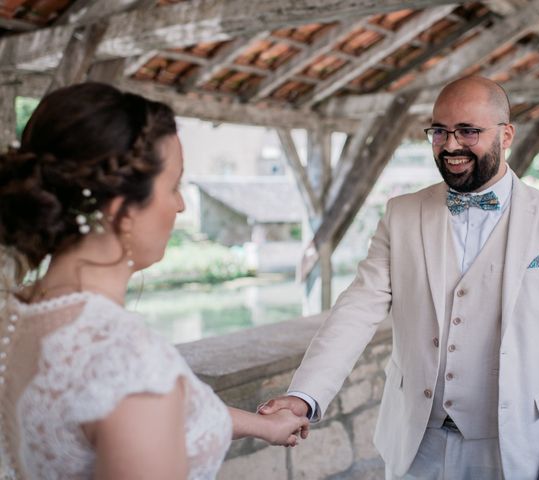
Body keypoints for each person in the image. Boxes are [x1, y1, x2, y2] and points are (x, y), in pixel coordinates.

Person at [259, 76, 539, 479]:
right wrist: (304, 396)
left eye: (468, 131)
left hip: (515, 447)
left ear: (506, 134)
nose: (451, 145)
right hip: (415, 444)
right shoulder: (401, 213)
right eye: (439, 131)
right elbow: (356, 311)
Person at [0, 82, 308, 480]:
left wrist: (264, 425)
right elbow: (134, 398)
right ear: (122, 210)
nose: (180, 205)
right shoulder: (125, 356)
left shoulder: (15, 316)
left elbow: (144, 412)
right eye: (174, 185)